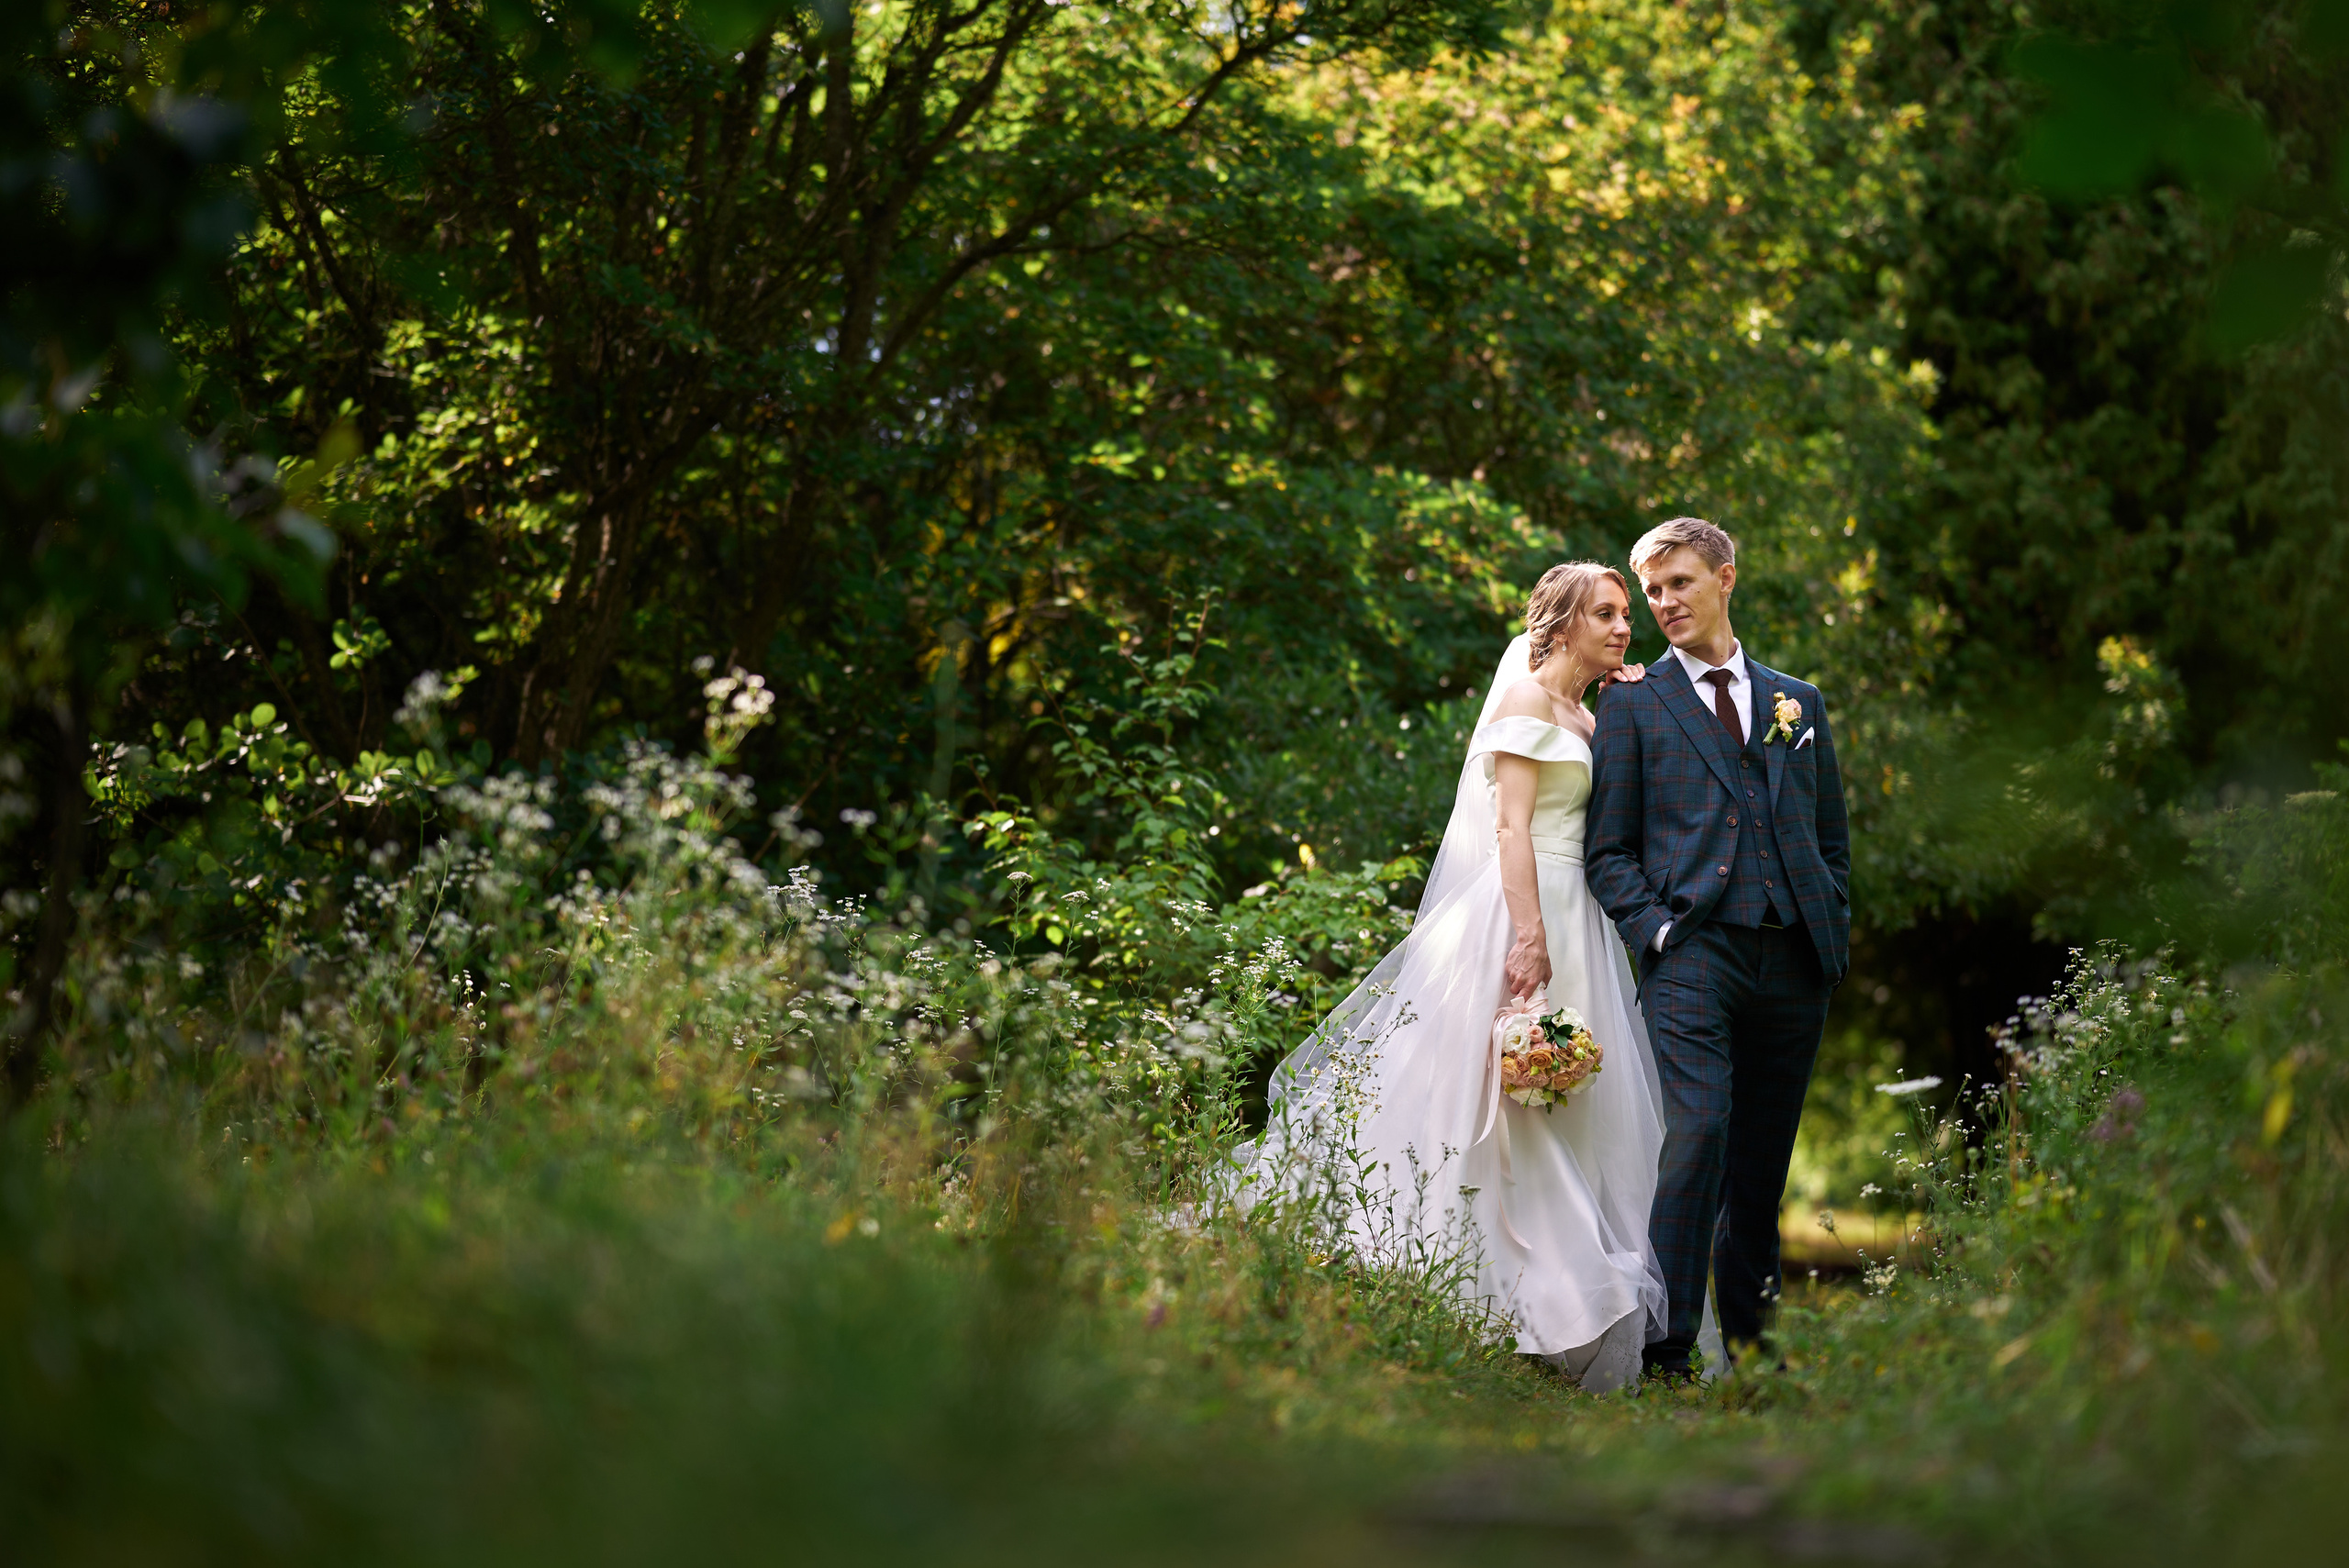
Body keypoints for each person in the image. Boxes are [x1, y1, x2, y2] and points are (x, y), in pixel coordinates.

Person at [1235, 562, 1705, 1391]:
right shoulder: (1525, 704)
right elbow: (1511, 828)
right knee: (1502, 1101)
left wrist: (1626, 688)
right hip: (1523, 913)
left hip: (1581, 919)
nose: (1625, 626)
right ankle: (1528, 1297)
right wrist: (1527, 938)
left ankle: (1554, 1298)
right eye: (1607, 613)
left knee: (1564, 1100)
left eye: (1626, 614)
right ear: (1561, 624)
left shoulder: (1589, 716)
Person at [1584, 517, 1851, 1380]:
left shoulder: (1795, 701)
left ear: (1726, 578)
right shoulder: (1629, 699)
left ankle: (1751, 1349)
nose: (1662, 604)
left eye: (1680, 584)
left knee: (1761, 1165)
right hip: (1692, 953)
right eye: (1652, 591)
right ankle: (1664, 1351)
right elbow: (1607, 851)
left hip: (1793, 958)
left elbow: (1831, 835)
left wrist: (1829, 921)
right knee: (1696, 1133)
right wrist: (1656, 929)